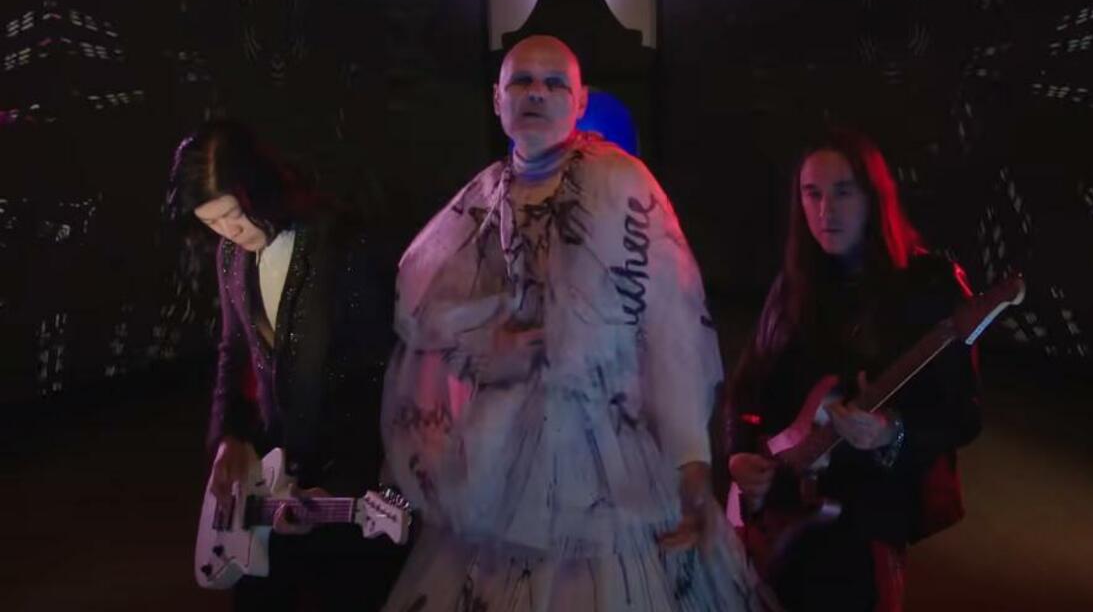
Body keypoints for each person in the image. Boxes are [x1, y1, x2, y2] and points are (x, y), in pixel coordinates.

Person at [379, 35, 775, 611]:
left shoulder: (621, 185)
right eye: (522, 81)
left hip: (606, 453)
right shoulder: (482, 198)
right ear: (497, 98)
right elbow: (428, 313)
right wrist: (487, 346)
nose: (536, 94)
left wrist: (691, 460)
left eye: (554, 83)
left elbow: (669, 322)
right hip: (499, 458)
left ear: (580, 100)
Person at [726, 128, 981, 612]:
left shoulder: (927, 287)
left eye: (843, 192)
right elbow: (745, 389)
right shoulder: (793, 287)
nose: (826, 210)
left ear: (874, 197)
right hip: (778, 514)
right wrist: (739, 455)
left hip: (864, 531)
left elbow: (963, 416)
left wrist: (891, 433)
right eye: (812, 193)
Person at [168, 120, 405, 610]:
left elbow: (375, 372)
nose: (228, 231)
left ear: (260, 188)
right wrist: (230, 435)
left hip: (345, 477)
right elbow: (234, 352)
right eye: (212, 222)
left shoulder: (339, 242)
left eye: (233, 215)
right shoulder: (231, 256)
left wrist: (342, 479)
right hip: (273, 475)